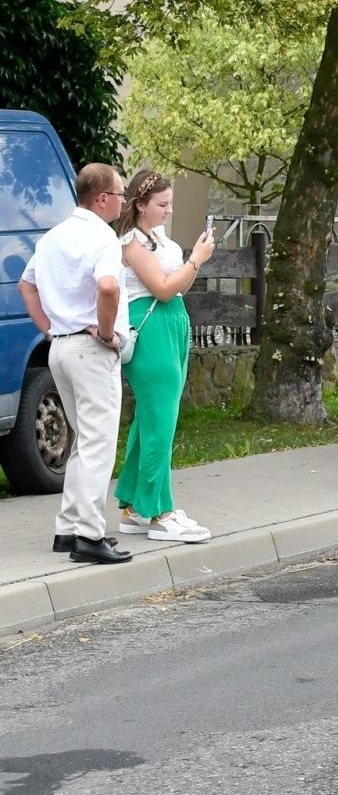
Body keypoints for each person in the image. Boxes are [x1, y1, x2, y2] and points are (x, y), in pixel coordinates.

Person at [19, 163, 135, 563]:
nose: (124, 201)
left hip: (60, 349)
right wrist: (106, 333)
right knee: (98, 441)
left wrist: (50, 328)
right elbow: (107, 285)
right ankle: (89, 534)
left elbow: (25, 284)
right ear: (102, 197)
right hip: (91, 350)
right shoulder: (102, 237)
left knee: (82, 438)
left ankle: (67, 529)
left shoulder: (53, 237)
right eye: (120, 194)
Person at [113, 170, 216, 542]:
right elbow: (162, 288)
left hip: (171, 325)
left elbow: (180, 287)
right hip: (152, 328)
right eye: (162, 204)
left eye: (170, 203)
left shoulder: (157, 238)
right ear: (140, 205)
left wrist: (194, 263)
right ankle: (160, 512)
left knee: (150, 419)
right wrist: (197, 259)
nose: (169, 210)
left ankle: (135, 504)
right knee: (161, 421)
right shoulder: (131, 243)